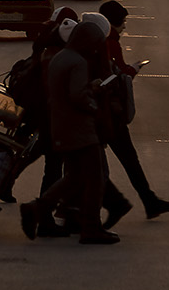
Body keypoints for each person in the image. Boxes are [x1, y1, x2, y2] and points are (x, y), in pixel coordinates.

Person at [19, 13, 118, 244]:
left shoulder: (61, 56)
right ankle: (91, 227)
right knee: (94, 178)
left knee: (74, 176)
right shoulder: (78, 62)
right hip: (80, 128)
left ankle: (37, 208)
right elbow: (77, 96)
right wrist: (94, 98)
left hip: (61, 125)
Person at [97, 1, 169, 219]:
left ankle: (149, 201)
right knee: (121, 161)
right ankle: (147, 201)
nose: (124, 27)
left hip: (105, 111)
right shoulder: (110, 42)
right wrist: (133, 69)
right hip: (110, 113)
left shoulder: (98, 39)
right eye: (122, 22)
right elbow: (118, 76)